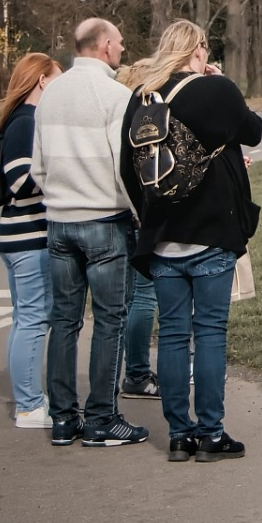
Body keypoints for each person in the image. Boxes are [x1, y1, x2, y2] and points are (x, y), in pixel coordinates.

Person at [120, 19, 262, 463]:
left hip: (163, 236)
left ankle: (179, 436)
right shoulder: (215, 91)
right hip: (211, 234)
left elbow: (130, 168)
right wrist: (223, 82)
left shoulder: (142, 99)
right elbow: (254, 130)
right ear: (198, 50)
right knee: (210, 335)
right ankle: (211, 432)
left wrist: (149, 215)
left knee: (172, 335)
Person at [33, 17, 147, 449]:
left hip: (59, 221)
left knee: (62, 320)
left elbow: (38, 166)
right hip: (104, 220)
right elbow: (125, 166)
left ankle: (63, 418)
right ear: (103, 46)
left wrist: (60, 198)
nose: (121, 48)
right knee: (108, 321)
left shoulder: (51, 94)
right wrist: (137, 212)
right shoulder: (116, 96)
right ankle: (102, 416)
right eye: (118, 42)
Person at [0, 51, 60, 429]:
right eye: (58, 78)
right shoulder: (27, 121)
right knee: (34, 319)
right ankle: (30, 406)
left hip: (18, 235)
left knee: (26, 319)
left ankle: (30, 398)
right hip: (29, 236)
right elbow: (21, 180)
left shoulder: (19, 120)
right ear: (43, 81)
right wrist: (60, 177)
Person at [111, 56, 161, 404]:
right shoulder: (141, 119)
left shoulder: (117, 115)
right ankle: (137, 373)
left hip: (119, 213)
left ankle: (130, 370)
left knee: (127, 299)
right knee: (144, 296)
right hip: (139, 214)